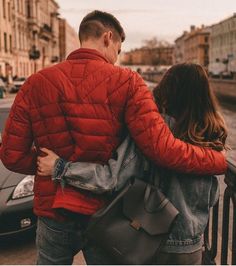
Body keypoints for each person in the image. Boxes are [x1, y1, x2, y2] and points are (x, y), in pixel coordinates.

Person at [0, 8, 226, 264]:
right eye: (118, 51)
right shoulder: (128, 82)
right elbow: (162, 150)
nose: (116, 59)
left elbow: (11, 155)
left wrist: (46, 165)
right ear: (108, 37)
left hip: (54, 209)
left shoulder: (35, 82)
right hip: (107, 211)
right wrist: (216, 160)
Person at [38, 63, 228, 265]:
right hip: (191, 247)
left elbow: (111, 178)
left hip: (150, 242)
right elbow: (212, 197)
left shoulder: (154, 130)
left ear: (167, 89)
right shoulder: (213, 135)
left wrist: (61, 168)